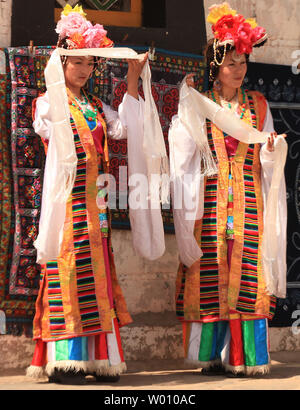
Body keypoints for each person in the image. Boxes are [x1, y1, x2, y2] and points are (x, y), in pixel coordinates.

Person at [26, 5, 147, 385]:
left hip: (96, 208)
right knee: (67, 275)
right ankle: (65, 361)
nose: (82, 70)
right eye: (75, 61)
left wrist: (131, 79)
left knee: (98, 280)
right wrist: (56, 91)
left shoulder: (96, 107)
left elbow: (124, 129)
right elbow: (46, 129)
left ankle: (101, 360)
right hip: (67, 207)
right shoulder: (49, 103)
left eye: (89, 63)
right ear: (61, 63)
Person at [169, 2, 287, 377]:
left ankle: (246, 357)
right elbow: (183, 151)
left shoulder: (258, 104)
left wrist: (270, 149)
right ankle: (213, 355)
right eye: (231, 64)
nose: (238, 71)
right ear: (215, 67)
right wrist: (185, 108)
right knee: (211, 273)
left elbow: (267, 149)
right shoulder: (201, 106)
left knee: (249, 274)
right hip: (211, 199)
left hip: (250, 202)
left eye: (243, 63)